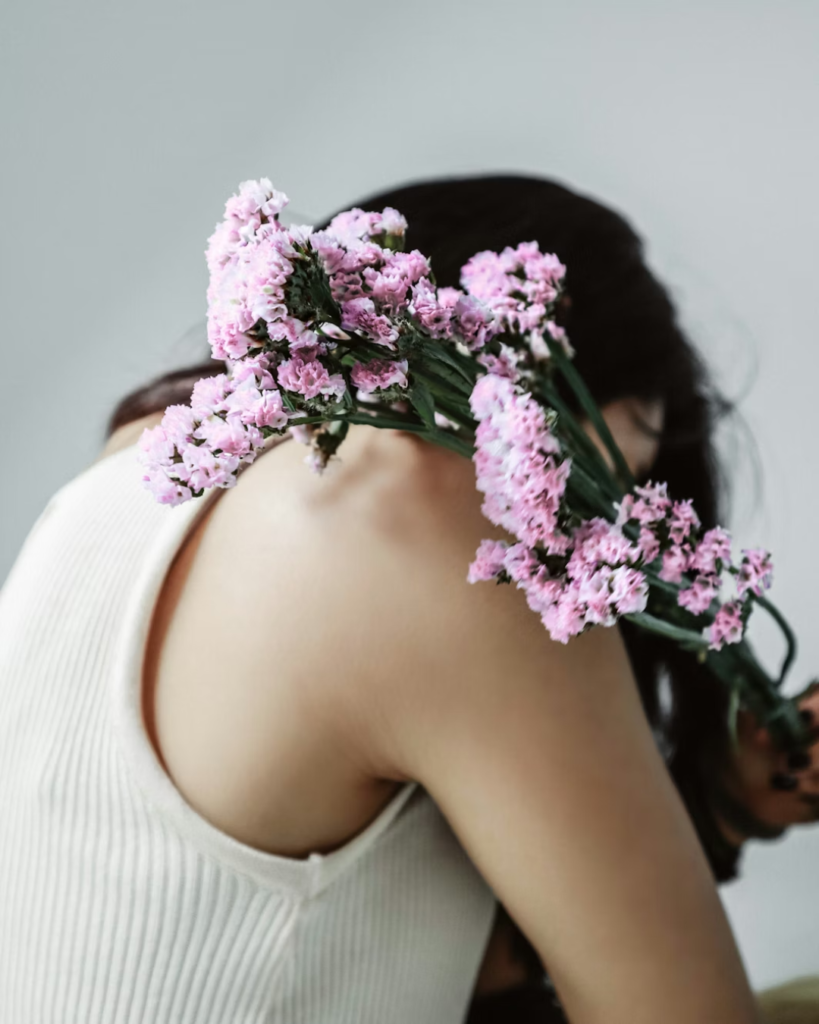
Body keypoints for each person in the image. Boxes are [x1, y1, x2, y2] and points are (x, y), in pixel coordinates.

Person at [1, 174, 815, 1024]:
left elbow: (343, 952)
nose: (591, 544)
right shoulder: (445, 529)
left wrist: (719, 813)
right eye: (603, 487)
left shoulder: (139, 457)